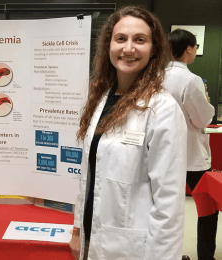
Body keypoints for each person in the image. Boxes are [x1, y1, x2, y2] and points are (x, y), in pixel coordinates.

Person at [69, 6, 187, 260]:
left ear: (154, 49)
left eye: (140, 40)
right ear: (108, 45)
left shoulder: (162, 109)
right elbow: (89, 176)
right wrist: (78, 229)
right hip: (93, 238)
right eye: (120, 39)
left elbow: (169, 203)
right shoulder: (101, 98)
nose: (129, 48)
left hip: (133, 249)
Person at [162, 29, 217, 260]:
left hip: (164, 154)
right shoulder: (191, 80)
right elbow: (203, 119)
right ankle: (205, 256)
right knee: (207, 209)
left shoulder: (156, 76)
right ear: (189, 49)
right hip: (192, 156)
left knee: (164, 209)